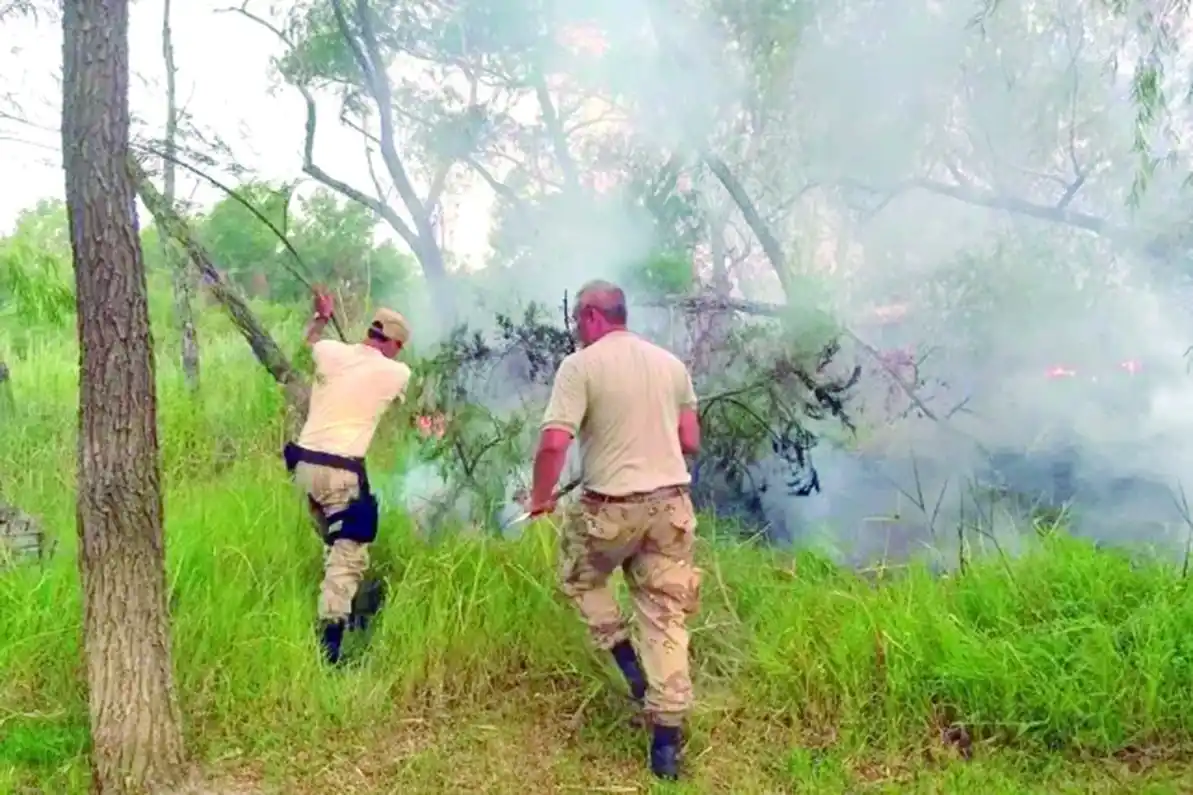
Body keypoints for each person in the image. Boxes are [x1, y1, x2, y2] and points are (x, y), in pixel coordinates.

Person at [525, 279, 703, 780]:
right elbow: (690, 440)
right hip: (670, 507)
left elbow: (555, 443)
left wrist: (541, 499)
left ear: (590, 317)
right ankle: (666, 745)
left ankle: (626, 661)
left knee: (580, 577)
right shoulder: (671, 365)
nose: (577, 332)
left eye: (577, 322)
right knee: (666, 615)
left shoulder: (580, 366)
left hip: (609, 511)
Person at [282, 290, 412, 665]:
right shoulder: (396, 371)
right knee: (347, 556)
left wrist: (322, 318)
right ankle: (330, 650)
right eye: (398, 348)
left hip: (303, 467)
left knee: (333, 542)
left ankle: (336, 609)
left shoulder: (330, 351)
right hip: (340, 470)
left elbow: (310, 342)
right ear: (394, 344)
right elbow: (394, 397)